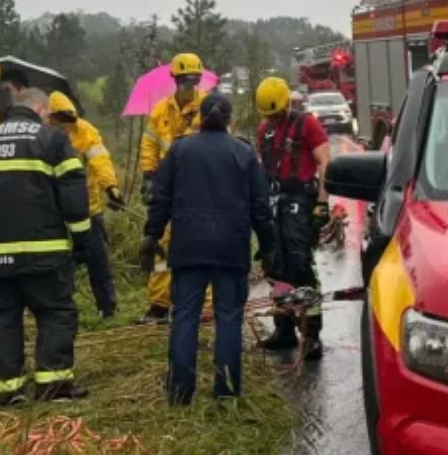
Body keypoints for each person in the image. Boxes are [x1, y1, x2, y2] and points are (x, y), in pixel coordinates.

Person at [0, 87, 92, 406]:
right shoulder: (53, 141)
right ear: (41, 108)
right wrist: (83, 242)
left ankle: (7, 390)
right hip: (43, 251)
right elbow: (73, 199)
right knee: (55, 312)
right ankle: (54, 386)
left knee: (1, 316)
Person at [142, 92, 277, 403]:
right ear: (230, 120)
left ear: (200, 118)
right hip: (231, 246)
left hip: (188, 246)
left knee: (185, 315)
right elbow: (260, 206)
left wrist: (151, 236)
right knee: (228, 316)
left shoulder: (179, 150)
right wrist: (268, 246)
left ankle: (180, 391)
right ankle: (227, 391)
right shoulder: (243, 153)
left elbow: (160, 199)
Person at [253, 76, 332, 360]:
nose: (273, 119)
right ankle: (284, 329)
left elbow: (325, 162)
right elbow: (261, 171)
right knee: (275, 268)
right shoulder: (265, 131)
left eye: (277, 113)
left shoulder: (306, 124)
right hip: (275, 204)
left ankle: (311, 335)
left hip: (301, 202)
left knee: (300, 267)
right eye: (269, 115)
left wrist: (322, 205)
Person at [137, 52, 213, 324]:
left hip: (200, 188)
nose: (188, 86)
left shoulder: (209, 108)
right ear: (175, 81)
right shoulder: (161, 111)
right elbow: (149, 144)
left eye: (193, 80)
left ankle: (206, 306)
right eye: (183, 80)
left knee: (201, 243)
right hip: (169, 187)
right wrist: (148, 175)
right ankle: (159, 304)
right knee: (161, 245)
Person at [47, 92, 123, 318]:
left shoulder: (86, 131)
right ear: (51, 119)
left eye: (69, 122)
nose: (66, 127)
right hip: (54, 211)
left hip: (87, 207)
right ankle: (59, 307)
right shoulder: (42, 135)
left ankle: (107, 308)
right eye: (61, 122)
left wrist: (111, 187)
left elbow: (100, 160)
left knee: (98, 260)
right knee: (58, 262)